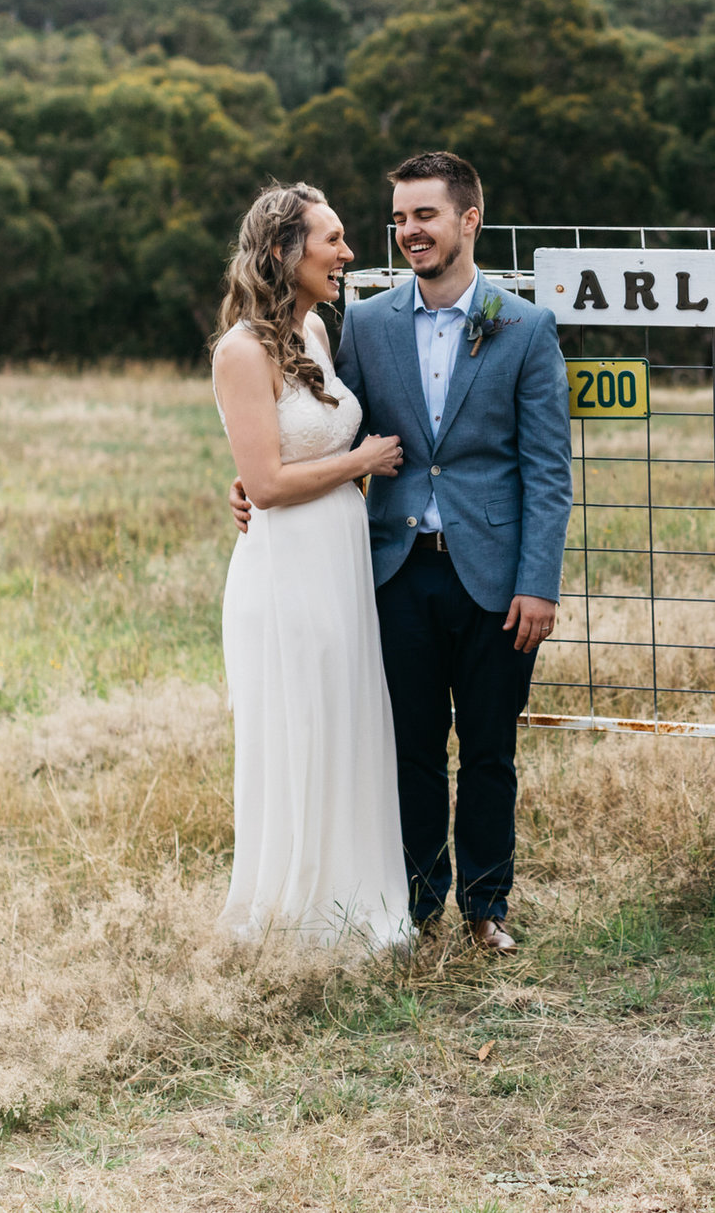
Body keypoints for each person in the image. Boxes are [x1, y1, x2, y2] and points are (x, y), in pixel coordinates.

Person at [235, 151, 571, 953]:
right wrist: (251, 484)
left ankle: (487, 907)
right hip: (388, 573)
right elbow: (319, 421)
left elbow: (548, 470)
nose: (408, 231)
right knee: (409, 748)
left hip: (494, 576)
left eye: (424, 214)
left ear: (468, 221)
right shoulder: (370, 325)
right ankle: (417, 906)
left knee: (490, 749)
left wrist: (539, 583)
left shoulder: (525, 326)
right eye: (400, 217)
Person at [209, 182, 414, 949]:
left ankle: (352, 897)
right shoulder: (240, 350)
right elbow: (264, 484)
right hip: (286, 571)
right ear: (283, 251)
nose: (347, 253)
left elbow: (296, 450)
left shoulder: (319, 331)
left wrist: (340, 465)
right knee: (297, 731)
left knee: (344, 723)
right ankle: (294, 913)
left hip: (339, 563)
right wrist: (359, 459)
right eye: (332, 239)